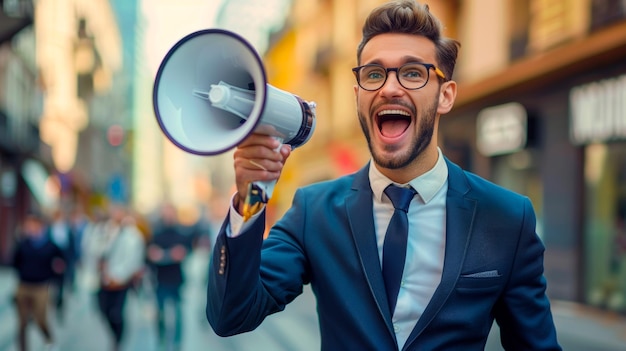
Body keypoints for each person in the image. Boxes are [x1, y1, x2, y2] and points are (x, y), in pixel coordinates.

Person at [205, 1, 561, 350]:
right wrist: (252, 196)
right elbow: (232, 316)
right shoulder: (313, 211)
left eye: (412, 73)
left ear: (445, 96)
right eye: (374, 74)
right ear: (359, 95)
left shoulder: (507, 217)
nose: (389, 88)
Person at [11, 211, 66, 351]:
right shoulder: (23, 243)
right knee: (21, 322)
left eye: (33, 224)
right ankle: (22, 348)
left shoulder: (50, 245)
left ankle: (49, 340)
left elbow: (61, 262)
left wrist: (54, 275)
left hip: (41, 287)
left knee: (40, 318)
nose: (30, 227)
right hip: (23, 285)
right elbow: (14, 261)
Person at [96, 205, 146, 351]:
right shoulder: (106, 230)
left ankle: (118, 341)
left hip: (121, 282)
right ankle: (115, 336)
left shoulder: (133, 235)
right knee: (103, 310)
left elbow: (133, 260)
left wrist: (118, 277)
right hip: (104, 279)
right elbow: (96, 250)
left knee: (117, 313)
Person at [147, 202, 193, 351]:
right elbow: (150, 255)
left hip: (176, 280)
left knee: (178, 314)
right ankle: (161, 339)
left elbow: (185, 251)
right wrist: (166, 255)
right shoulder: (155, 233)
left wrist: (164, 255)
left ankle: (177, 343)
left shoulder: (182, 233)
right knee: (159, 314)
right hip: (160, 280)